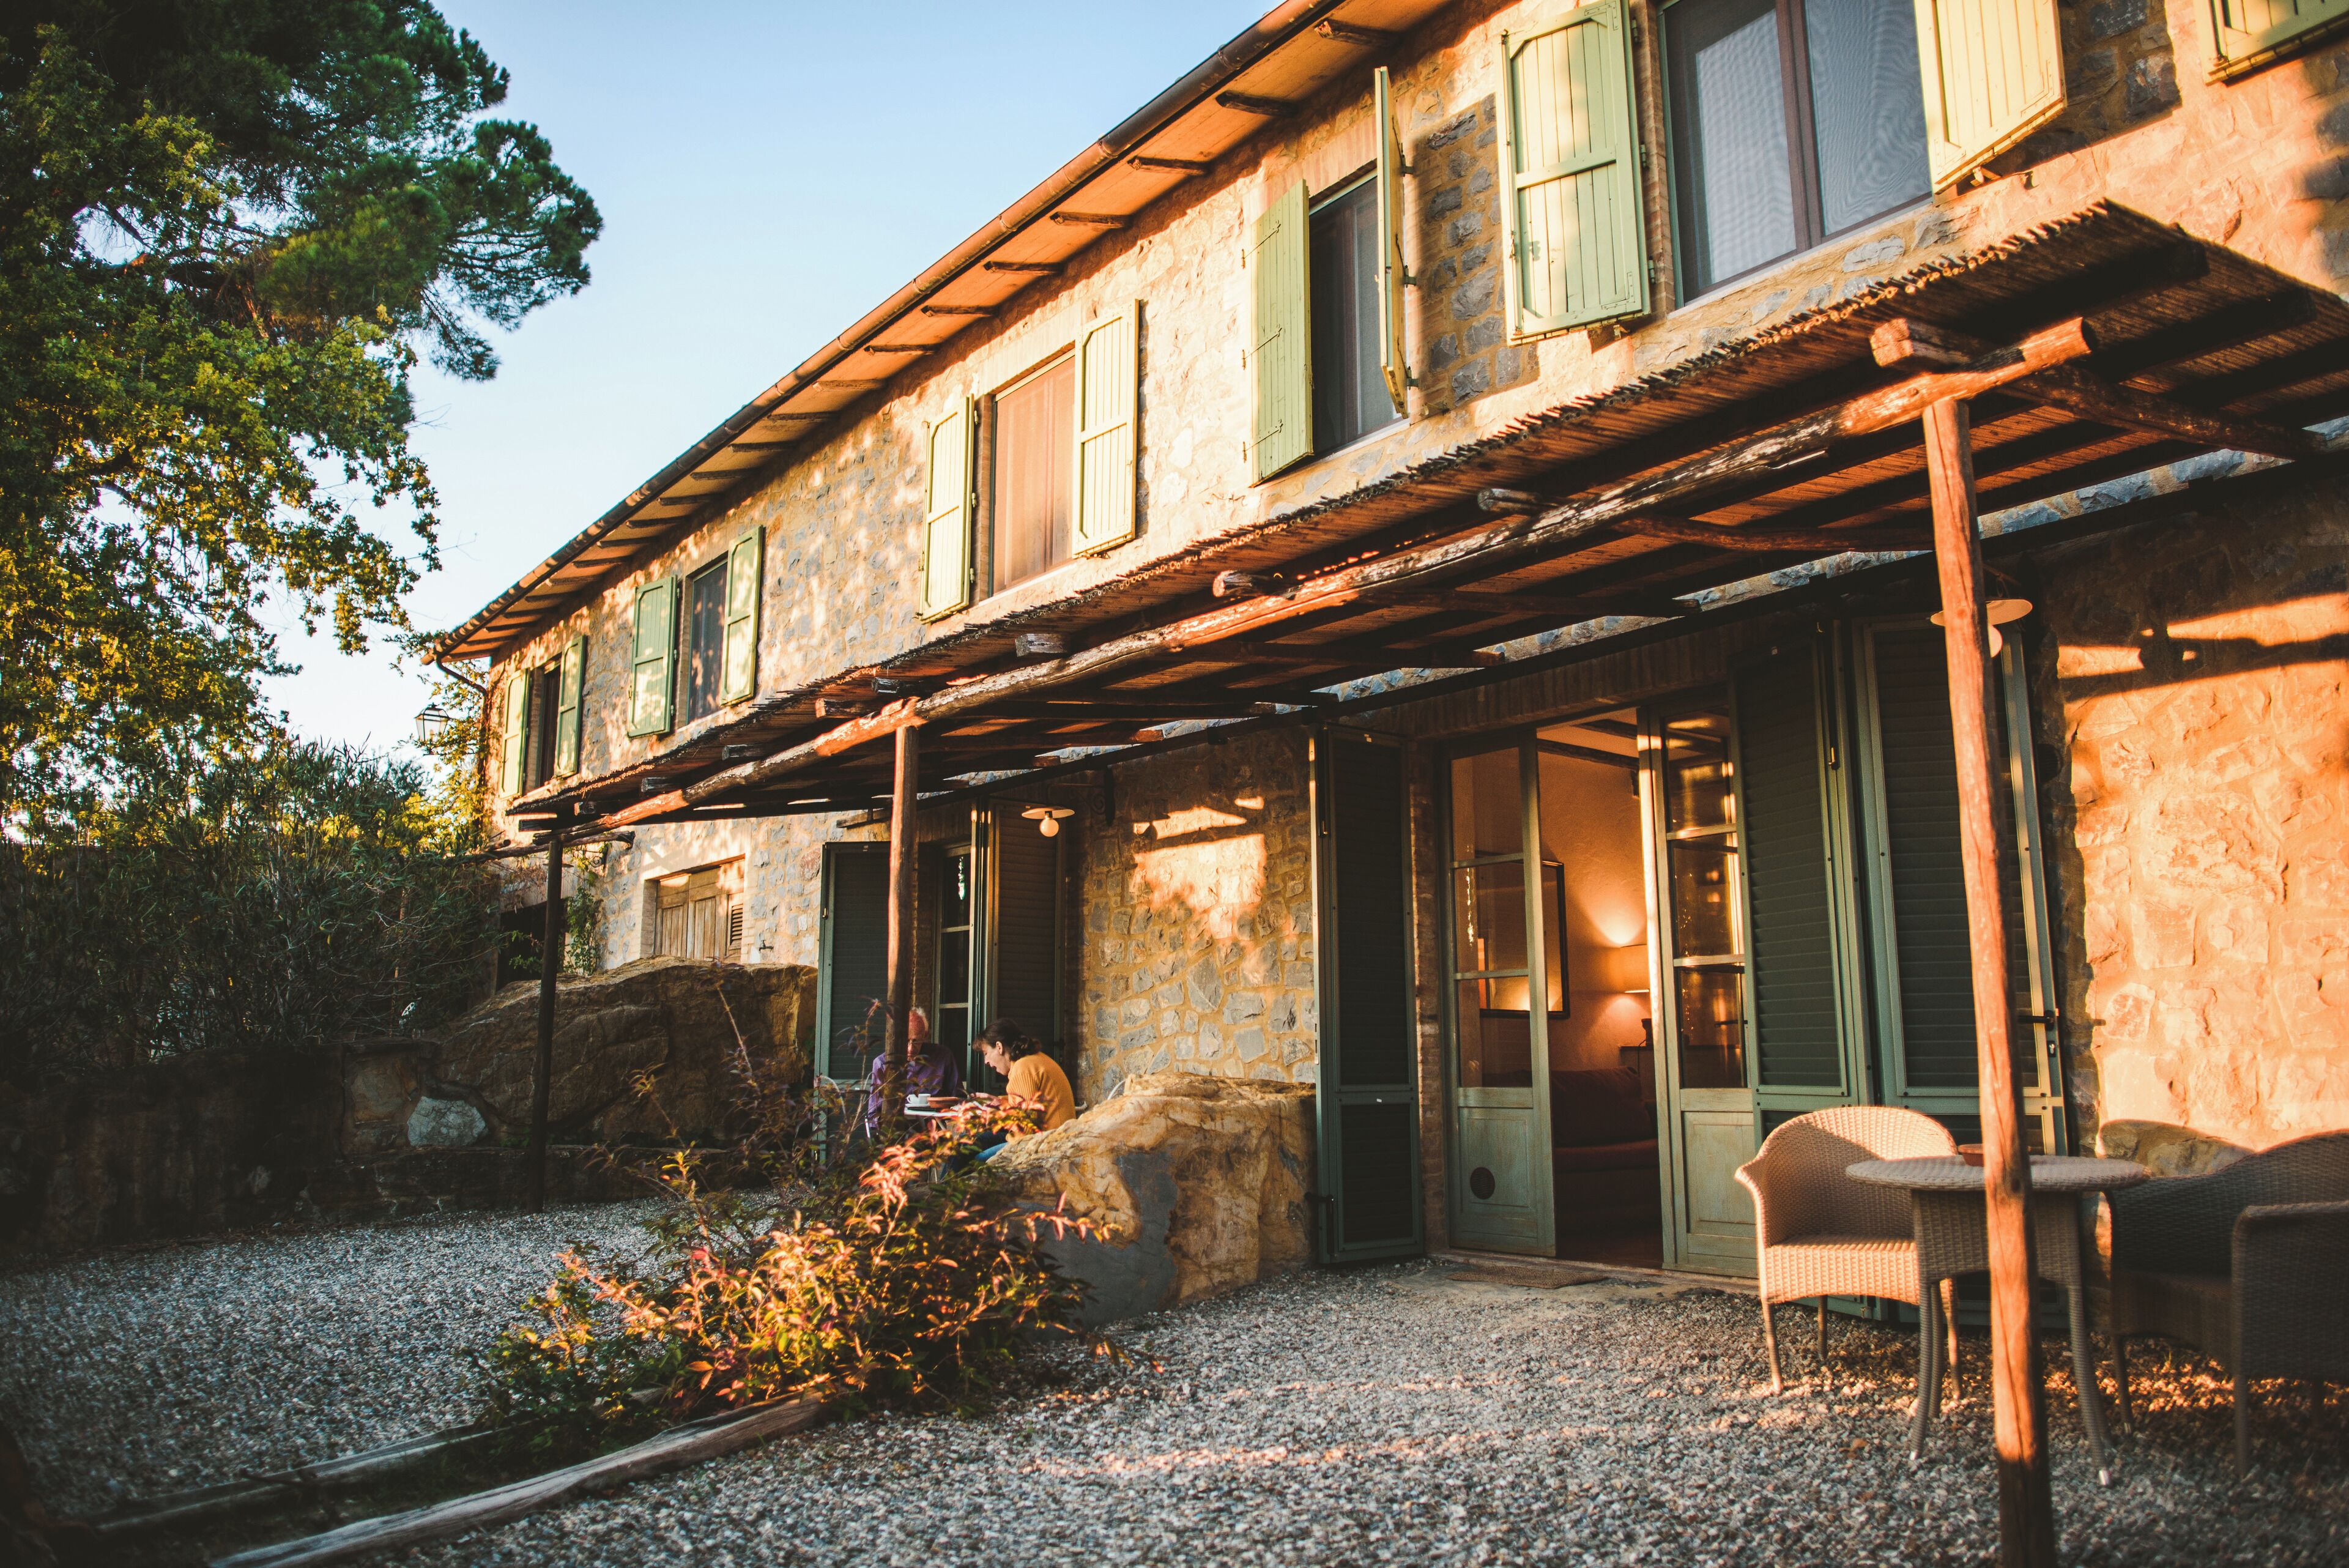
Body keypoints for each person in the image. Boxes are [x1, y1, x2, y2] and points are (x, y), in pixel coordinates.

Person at [973, 1017, 1074, 1156]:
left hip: (1045, 1146)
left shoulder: (1022, 1068)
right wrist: (999, 1102)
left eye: (986, 1054)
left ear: (999, 1047)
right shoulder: (1033, 1060)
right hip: (1052, 1139)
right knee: (967, 1144)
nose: (986, 1062)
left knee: (972, 1159)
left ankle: (947, 1178)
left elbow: (1026, 1128)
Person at [861, 1005, 962, 1136]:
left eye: (916, 1042)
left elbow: (959, 1098)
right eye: (906, 1041)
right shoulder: (882, 1064)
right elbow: (873, 1115)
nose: (910, 1049)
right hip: (897, 1135)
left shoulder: (943, 1056)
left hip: (936, 1133)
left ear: (925, 1036)